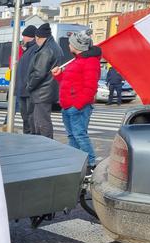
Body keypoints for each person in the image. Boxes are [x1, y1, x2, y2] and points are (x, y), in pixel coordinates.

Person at [52, 30, 101, 171]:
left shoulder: (90, 62)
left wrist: (77, 105)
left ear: (76, 46)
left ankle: (91, 165)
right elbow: (69, 83)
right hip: (68, 105)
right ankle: (74, 161)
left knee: (79, 135)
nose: (68, 45)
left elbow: (90, 88)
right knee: (73, 136)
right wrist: (59, 75)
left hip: (77, 107)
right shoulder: (78, 60)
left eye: (70, 43)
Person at [26, 23, 63, 139]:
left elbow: (39, 73)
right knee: (42, 121)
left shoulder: (46, 50)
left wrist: (29, 86)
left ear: (38, 38)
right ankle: (43, 144)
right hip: (48, 89)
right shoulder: (54, 47)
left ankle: (46, 145)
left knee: (41, 122)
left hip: (42, 92)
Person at [15, 25, 38, 134]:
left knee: (29, 116)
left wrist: (28, 85)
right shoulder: (28, 50)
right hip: (23, 89)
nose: (22, 39)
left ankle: (30, 135)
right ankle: (27, 134)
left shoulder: (34, 49)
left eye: (24, 36)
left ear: (30, 37)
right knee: (25, 116)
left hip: (27, 90)